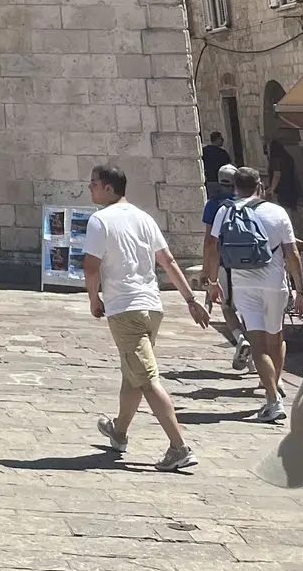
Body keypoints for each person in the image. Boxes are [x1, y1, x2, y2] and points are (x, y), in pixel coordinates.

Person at [83, 163, 209, 471]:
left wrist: (93, 298)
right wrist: (190, 299)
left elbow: (90, 266)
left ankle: (178, 447)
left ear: (108, 188)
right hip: (152, 307)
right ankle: (119, 431)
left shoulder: (100, 221)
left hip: (125, 308)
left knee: (148, 379)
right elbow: (166, 260)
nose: (90, 189)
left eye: (94, 184)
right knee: (133, 373)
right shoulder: (144, 218)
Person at [202, 164, 303, 426]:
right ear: (260, 185)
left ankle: (272, 400)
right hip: (274, 283)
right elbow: (292, 254)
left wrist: (213, 280)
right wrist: (302, 291)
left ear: (235, 187)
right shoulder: (277, 212)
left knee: (258, 344)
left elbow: (211, 245)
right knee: (277, 340)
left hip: (243, 285)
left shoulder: (225, 211)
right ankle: (277, 380)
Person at [202, 165, 253, 372]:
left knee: (227, 307)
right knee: (251, 312)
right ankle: (253, 363)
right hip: (251, 265)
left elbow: (209, 241)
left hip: (225, 264)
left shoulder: (214, 205)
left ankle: (240, 339)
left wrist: (207, 272)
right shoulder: (251, 204)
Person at [267, 138, 300, 211]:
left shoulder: (276, 159)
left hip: (280, 191)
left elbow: (277, 175)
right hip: (291, 188)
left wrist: (272, 189)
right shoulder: (288, 157)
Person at [201, 131, 229, 202]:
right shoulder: (222, 153)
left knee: (213, 202)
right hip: (222, 182)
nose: (223, 141)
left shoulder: (204, 151)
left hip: (210, 181)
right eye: (221, 139)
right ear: (217, 139)